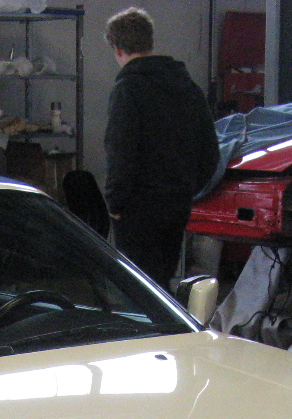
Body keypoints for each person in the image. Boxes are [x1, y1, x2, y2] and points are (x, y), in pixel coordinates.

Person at [102, 7, 218, 290]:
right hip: (177, 204)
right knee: (162, 283)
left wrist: (115, 203)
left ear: (117, 49)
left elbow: (121, 151)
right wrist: (186, 189)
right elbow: (210, 151)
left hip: (136, 209)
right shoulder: (188, 87)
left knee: (139, 288)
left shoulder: (128, 89)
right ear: (150, 41)